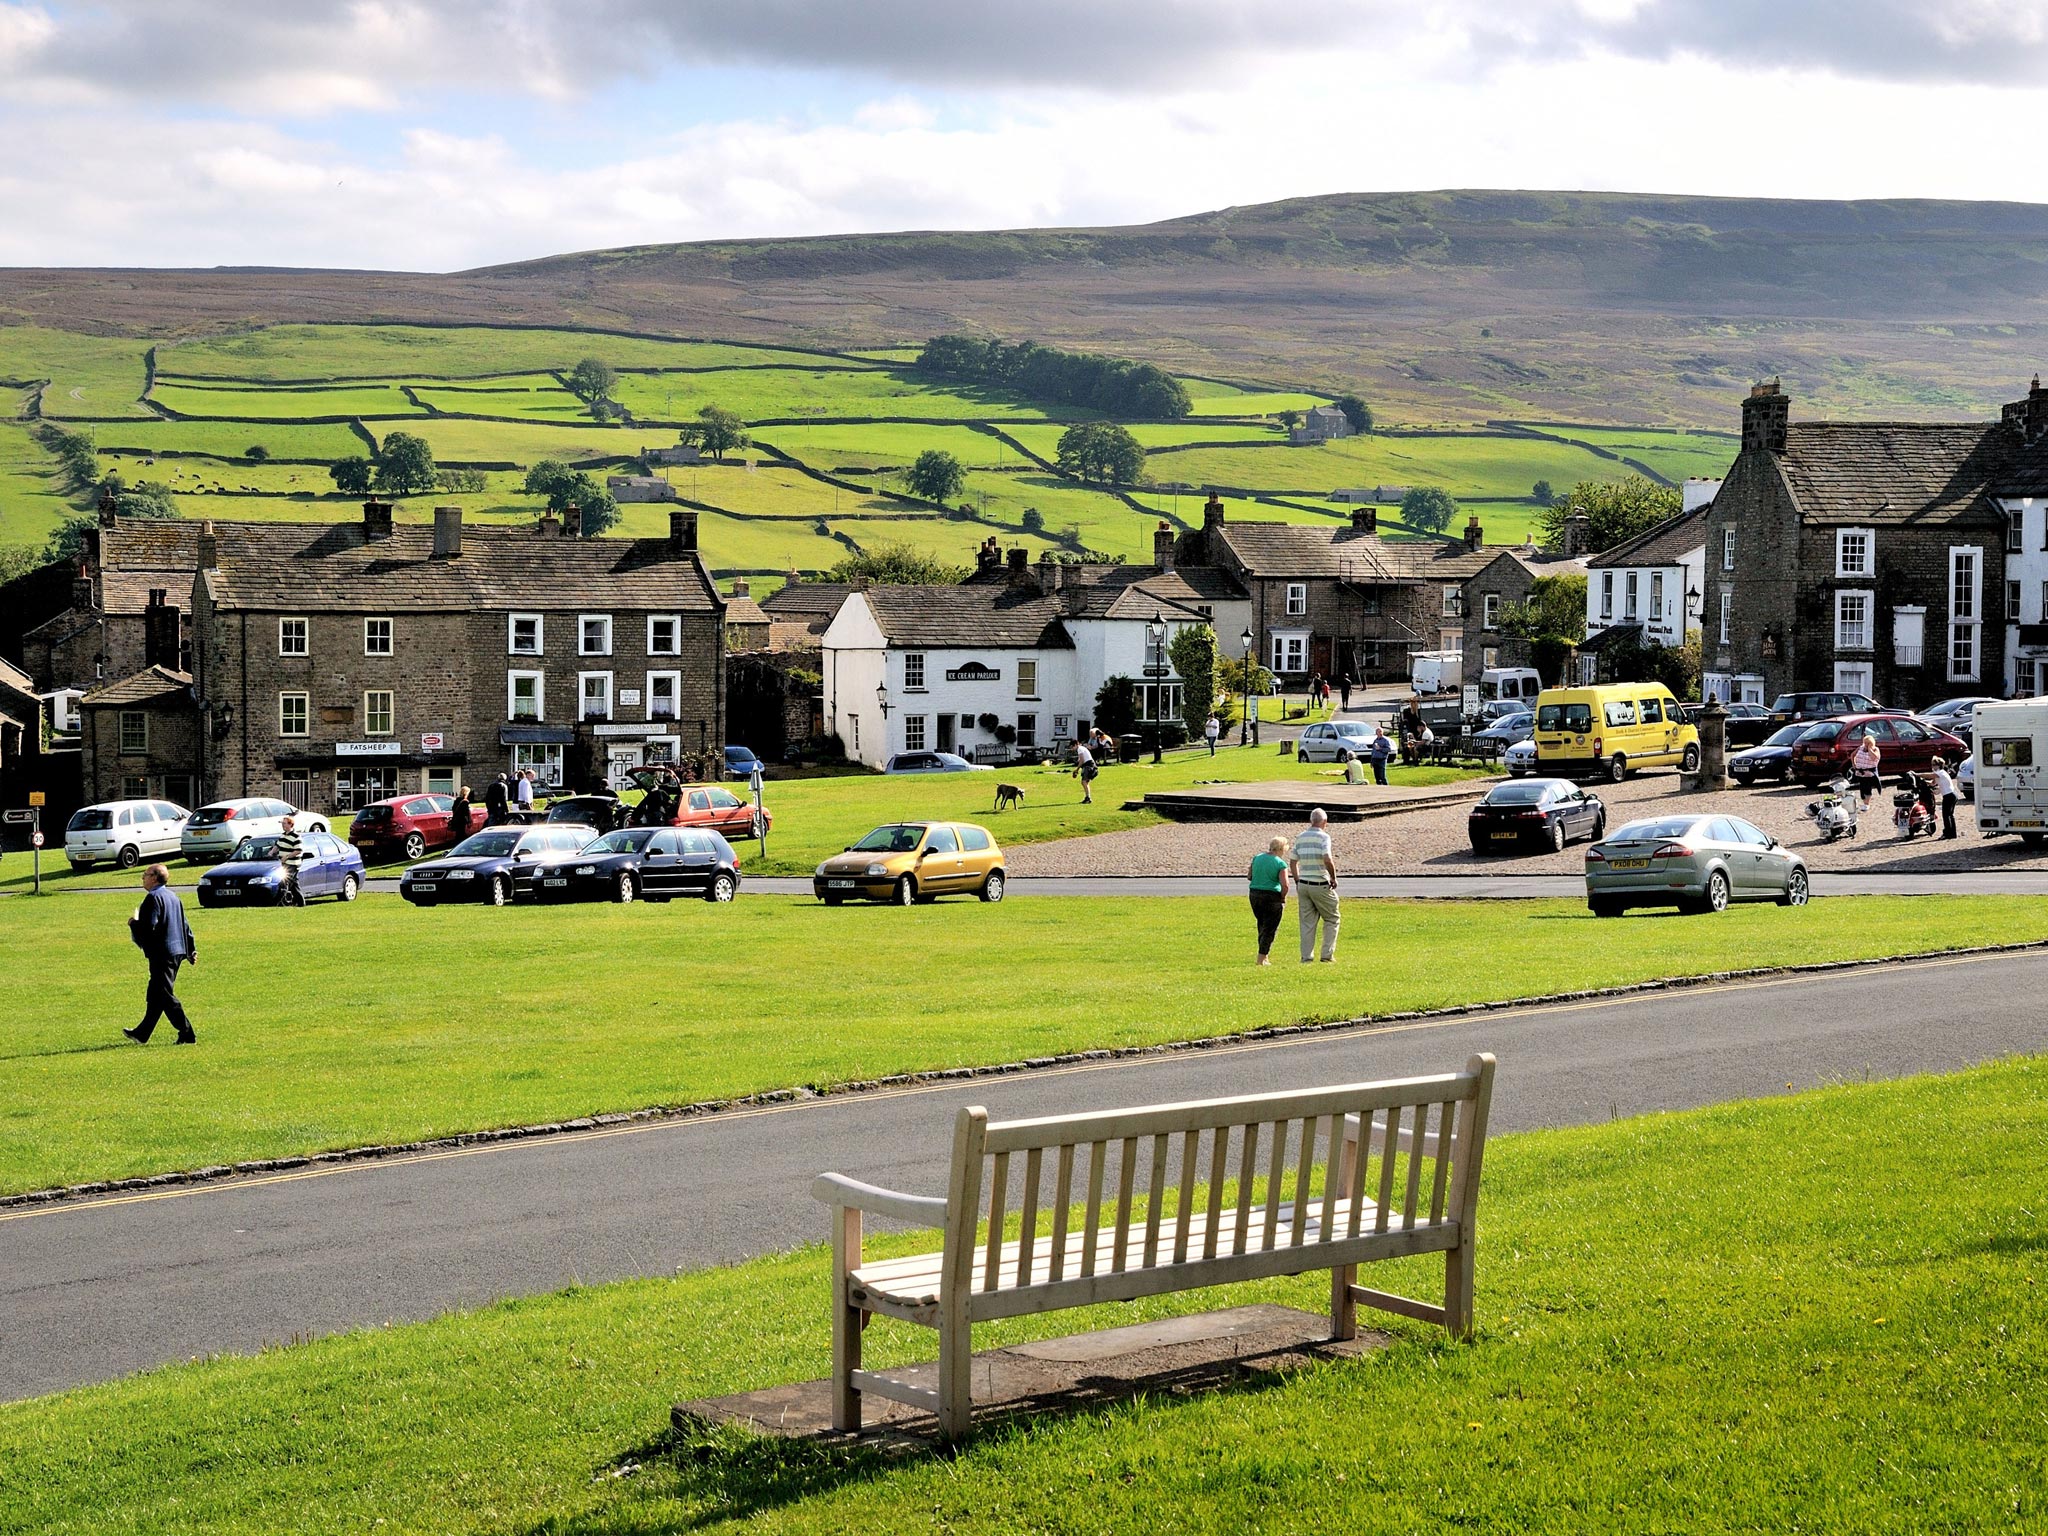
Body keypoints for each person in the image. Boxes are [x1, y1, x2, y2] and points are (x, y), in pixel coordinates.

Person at [124, 864, 196, 1045]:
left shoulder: (153, 898)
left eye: (146, 875)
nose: (143, 878)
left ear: (154, 878)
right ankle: (142, 1033)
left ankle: (187, 1033)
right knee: (156, 993)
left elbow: (149, 928)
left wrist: (133, 923)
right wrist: (191, 950)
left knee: (164, 995)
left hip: (162, 953)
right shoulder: (173, 897)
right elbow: (185, 926)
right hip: (176, 952)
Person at [1290, 808, 1340, 963]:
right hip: (1320, 882)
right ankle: (1327, 955)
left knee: (1307, 922)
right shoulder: (1324, 837)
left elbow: (1292, 862)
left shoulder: (1300, 837)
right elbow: (1327, 858)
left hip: (1304, 883)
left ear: (1311, 821)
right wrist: (1333, 877)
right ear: (1324, 822)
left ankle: (1306, 957)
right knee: (1332, 918)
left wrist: (1298, 880)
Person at [1247, 834, 1291, 966]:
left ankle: (1264, 955)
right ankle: (1261, 958)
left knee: (1262, 924)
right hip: (1271, 897)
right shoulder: (1280, 863)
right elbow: (1285, 885)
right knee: (1270, 928)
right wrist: (1283, 897)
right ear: (1282, 849)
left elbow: (1249, 876)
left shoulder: (1257, 858)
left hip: (1254, 894)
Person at [274, 814, 306, 907]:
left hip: (293, 864)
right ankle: (301, 904)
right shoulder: (283, 836)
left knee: (284, 883)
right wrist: (271, 852)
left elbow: (298, 850)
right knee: (294, 886)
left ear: (290, 825)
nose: (283, 825)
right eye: (282, 823)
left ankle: (277, 903)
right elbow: (278, 846)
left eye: (284, 823)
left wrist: (287, 856)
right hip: (284, 863)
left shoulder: (296, 836)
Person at [1850, 730, 1881, 808]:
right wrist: (1854, 764)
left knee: (1867, 787)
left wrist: (1870, 749)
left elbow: (1874, 758)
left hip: (1869, 773)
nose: (1866, 745)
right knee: (1862, 787)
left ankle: (1867, 803)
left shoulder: (1875, 749)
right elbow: (1853, 754)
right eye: (1865, 743)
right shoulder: (1860, 748)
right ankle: (1864, 802)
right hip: (1860, 772)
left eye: (1868, 743)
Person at [1934, 757, 1960, 840]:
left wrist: (1917, 775)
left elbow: (1929, 776)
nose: (1932, 766)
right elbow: (1932, 783)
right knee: (1950, 815)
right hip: (1951, 795)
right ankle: (1952, 833)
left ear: (1939, 765)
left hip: (1949, 796)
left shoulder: (1940, 772)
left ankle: (1947, 833)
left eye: (1934, 765)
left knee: (1946, 815)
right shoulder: (1939, 774)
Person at [1073, 737, 1098, 804]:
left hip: (1088, 766)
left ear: (1075, 745)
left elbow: (1082, 760)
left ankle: (1088, 798)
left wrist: (1077, 769)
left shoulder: (1080, 749)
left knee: (1084, 782)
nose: (1072, 749)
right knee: (1085, 782)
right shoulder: (1082, 748)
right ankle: (1088, 797)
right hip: (1091, 766)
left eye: (1072, 747)